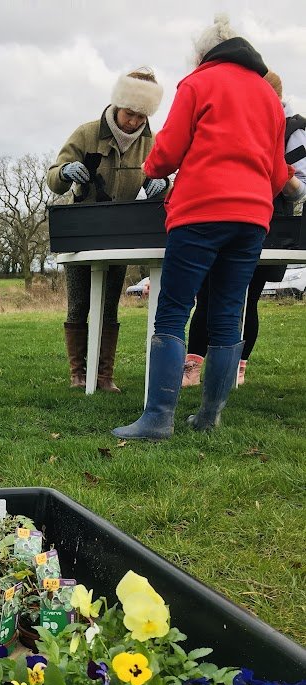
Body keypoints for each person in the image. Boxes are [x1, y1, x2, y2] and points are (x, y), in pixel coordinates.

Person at [113, 15, 297, 441]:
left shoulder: (197, 83)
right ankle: (209, 415)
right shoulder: (269, 97)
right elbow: (275, 173)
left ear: (203, 54)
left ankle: (158, 418)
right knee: (228, 316)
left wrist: (152, 167)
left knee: (174, 311)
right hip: (252, 217)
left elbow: (168, 153)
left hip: (201, 212)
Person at [182, 70, 306, 388]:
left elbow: (301, 186)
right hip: (222, 216)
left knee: (247, 297)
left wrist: (277, 174)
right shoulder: (235, 118)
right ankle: (192, 366)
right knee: (206, 293)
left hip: (270, 224)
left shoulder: (295, 130)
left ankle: (234, 368)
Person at [47, 68, 166, 391]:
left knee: (109, 304)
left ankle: (103, 375)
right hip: (81, 230)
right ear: (118, 105)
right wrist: (66, 172)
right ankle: (78, 373)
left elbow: (163, 175)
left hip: (121, 232)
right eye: (130, 114)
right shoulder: (86, 134)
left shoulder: (151, 144)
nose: (135, 122)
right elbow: (54, 176)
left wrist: (161, 183)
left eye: (142, 116)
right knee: (79, 304)